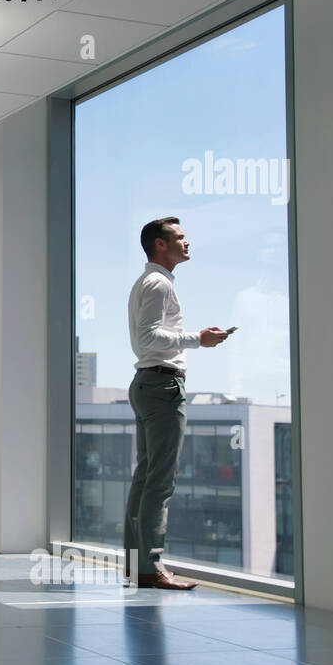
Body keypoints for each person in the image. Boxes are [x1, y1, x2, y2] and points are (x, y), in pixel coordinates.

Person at [124, 217, 231, 590]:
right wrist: (197, 339)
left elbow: (147, 337)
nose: (187, 243)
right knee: (160, 483)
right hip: (162, 386)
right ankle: (150, 568)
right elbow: (148, 336)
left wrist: (195, 339)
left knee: (145, 478)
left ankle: (137, 566)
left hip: (147, 384)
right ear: (159, 245)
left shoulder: (147, 282)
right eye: (180, 238)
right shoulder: (158, 284)